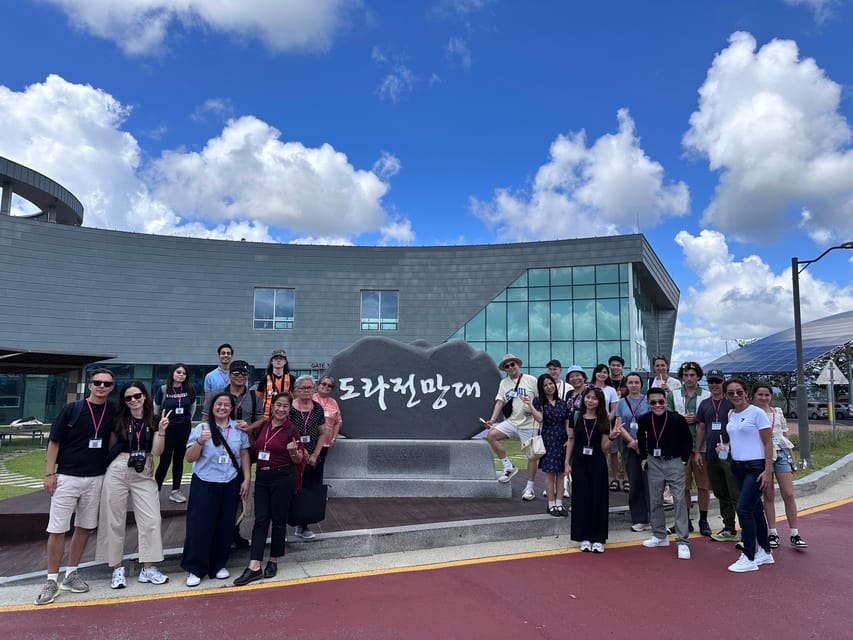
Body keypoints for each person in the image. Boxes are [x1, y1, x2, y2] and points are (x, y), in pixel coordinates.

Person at [35, 369, 115, 606]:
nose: (101, 386)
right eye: (97, 382)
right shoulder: (73, 409)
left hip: (96, 477)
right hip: (67, 477)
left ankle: (71, 573)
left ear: (111, 387)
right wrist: (50, 473)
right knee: (57, 528)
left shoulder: (112, 410)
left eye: (107, 383)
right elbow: (54, 441)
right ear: (90, 385)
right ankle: (51, 579)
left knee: (84, 527)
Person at [96, 381, 170, 588]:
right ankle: (117, 568)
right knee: (114, 519)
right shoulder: (118, 419)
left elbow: (157, 452)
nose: (134, 401)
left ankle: (148, 567)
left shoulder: (154, 420)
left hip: (143, 468)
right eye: (128, 398)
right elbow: (110, 446)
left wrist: (162, 430)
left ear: (144, 396)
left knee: (152, 519)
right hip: (119, 466)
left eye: (137, 396)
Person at [233, 393, 305, 586]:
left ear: (290, 409)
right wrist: (246, 429)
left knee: (278, 520)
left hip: (283, 476)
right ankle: (254, 565)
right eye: (278, 405)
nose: (281, 410)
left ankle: (273, 560)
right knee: (261, 519)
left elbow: (299, 460)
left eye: (285, 407)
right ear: (272, 406)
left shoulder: (292, 430)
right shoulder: (264, 425)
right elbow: (255, 444)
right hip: (263, 477)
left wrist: (292, 452)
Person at [181, 391, 251, 587]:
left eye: (226, 405)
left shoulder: (238, 429)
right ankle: (195, 567)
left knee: (225, 524)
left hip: (230, 482)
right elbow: (189, 458)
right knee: (199, 525)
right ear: (212, 407)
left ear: (232, 408)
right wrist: (200, 441)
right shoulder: (201, 428)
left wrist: (246, 479)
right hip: (205, 482)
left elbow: (244, 454)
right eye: (218, 404)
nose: (222, 408)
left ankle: (218, 564)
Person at [721, 378, 775, 573]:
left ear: (745, 392)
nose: (735, 395)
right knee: (755, 510)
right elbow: (738, 439)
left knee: (743, 509)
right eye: (730, 393)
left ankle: (749, 555)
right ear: (726, 395)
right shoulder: (731, 414)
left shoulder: (757, 413)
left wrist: (767, 470)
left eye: (738, 391)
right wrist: (724, 448)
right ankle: (765, 552)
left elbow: (768, 443)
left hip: (756, 467)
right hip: (737, 466)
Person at [638, 386, 693, 560]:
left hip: (674, 461)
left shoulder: (677, 419)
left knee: (679, 500)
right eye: (653, 402)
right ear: (648, 404)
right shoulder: (644, 419)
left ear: (665, 401)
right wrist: (643, 457)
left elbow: (688, 440)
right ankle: (660, 535)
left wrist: (683, 459)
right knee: (655, 500)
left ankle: (683, 541)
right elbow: (640, 438)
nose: (657, 405)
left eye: (661, 402)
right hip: (654, 462)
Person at [752, 382, 808, 550]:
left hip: (781, 455)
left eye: (766, 395)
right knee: (768, 496)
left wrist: (792, 459)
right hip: (763, 457)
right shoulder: (752, 413)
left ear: (771, 396)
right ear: (754, 395)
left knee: (788, 494)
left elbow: (784, 438)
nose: (763, 398)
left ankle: (794, 533)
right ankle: (773, 532)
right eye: (760, 395)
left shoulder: (777, 412)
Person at [484, 354, 539, 500]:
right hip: (512, 422)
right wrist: (492, 419)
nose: (510, 368)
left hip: (529, 424)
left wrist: (535, 411)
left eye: (512, 364)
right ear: (505, 369)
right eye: (507, 366)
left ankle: (530, 487)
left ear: (518, 365)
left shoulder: (531, 380)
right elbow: (499, 402)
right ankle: (508, 466)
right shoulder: (504, 383)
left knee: (531, 456)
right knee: (491, 435)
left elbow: (541, 399)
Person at [694, 369, 740, 542]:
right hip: (712, 456)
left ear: (723, 383)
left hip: (731, 456)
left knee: (735, 492)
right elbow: (701, 428)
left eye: (717, 381)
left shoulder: (732, 403)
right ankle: (729, 528)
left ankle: (746, 529)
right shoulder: (705, 404)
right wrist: (698, 451)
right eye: (711, 381)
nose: (714, 385)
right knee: (721, 492)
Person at [666, 361, 711, 536]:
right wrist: (680, 419)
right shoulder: (673, 395)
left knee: (703, 486)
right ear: (682, 377)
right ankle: (685, 521)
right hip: (680, 448)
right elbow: (667, 416)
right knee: (682, 487)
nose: (689, 378)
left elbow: (710, 417)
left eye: (692, 375)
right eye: (686, 375)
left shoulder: (706, 395)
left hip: (702, 447)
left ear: (698, 376)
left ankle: (704, 520)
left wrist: (698, 419)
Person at [566, 387, 612, 553]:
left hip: (597, 462)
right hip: (579, 462)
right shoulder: (575, 416)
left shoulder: (604, 420)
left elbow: (604, 448)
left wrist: (613, 437)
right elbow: (570, 440)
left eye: (594, 398)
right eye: (588, 397)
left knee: (598, 499)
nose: (590, 401)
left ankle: (598, 538)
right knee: (581, 499)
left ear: (599, 401)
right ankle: (584, 537)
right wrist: (567, 463)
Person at [290, 376, 329, 540]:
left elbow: (322, 433)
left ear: (314, 390)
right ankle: (287, 521)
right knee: (291, 490)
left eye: (309, 388)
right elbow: (285, 431)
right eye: (302, 388)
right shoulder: (290, 408)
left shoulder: (318, 409)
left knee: (308, 490)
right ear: (296, 390)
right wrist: (301, 450)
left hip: (312, 458)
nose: (306, 391)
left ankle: (303, 525)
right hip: (293, 456)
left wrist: (314, 454)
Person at [613, 372, 651, 532]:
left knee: (650, 483)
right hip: (629, 446)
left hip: (647, 446)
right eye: (631, 382)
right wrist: (633, 442)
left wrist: (640, 442)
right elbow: (619, 425)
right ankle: (639, 519)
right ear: (626, 385)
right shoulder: (621, 402)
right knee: (634, 482)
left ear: (641, 385)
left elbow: (652, 423)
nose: (634, 385)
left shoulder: (648, 401)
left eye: (636, 382)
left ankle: (653, 518)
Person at [154, 363, 196, 503]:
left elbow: (192, 407)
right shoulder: (163, 390)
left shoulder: (189, 389)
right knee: (165, 460)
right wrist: (161, 424)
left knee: (179, 460)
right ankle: (156, 491)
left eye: (184, 373)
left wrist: (186, 420)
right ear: (172, 373)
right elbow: (156, 409)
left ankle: (175, 491)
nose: (181, 375)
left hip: (183, 428)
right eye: (178, 372)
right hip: (168, 429)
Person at [529, 374, 570, 516]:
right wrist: (529, 404)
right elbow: (540, 419)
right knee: (550, 473)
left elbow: (566, 422)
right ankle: (551, 504)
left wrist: (569, 439)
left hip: (562, 439)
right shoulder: (538, 402)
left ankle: (559, 503)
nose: (549, 387)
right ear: (542, 388)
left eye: (551, 384)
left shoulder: (562, 403)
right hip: (548, 439)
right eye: (545, 385)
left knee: (561, 474)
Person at [592, 364, 620, 492]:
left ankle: (602, 478)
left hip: (604, 423)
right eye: (599, 372)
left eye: (605, 372)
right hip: (590, 422)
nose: (602, 374)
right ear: (595, 373)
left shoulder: (611, 390)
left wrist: (607, 420)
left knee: (604, 451)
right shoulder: (589, 387)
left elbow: (614, 408)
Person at [257, 348, 293, 419]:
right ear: (271, 361)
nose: (278, 360)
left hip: (285, 416)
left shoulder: (291, 379)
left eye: (281, 358)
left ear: (285, 362)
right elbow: (258, 398)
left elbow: (295, 398)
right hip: (267, 417)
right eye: (276, 358)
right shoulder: (264, 379)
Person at [314, 375, 343, 447]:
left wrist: (334, 438)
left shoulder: (333, 402)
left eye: (329, 385)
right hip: (312, 441)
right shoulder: (310, 398)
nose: (326, 386)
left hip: (326, 442)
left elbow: (338, 422)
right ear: (318, 385)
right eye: (324, 384)